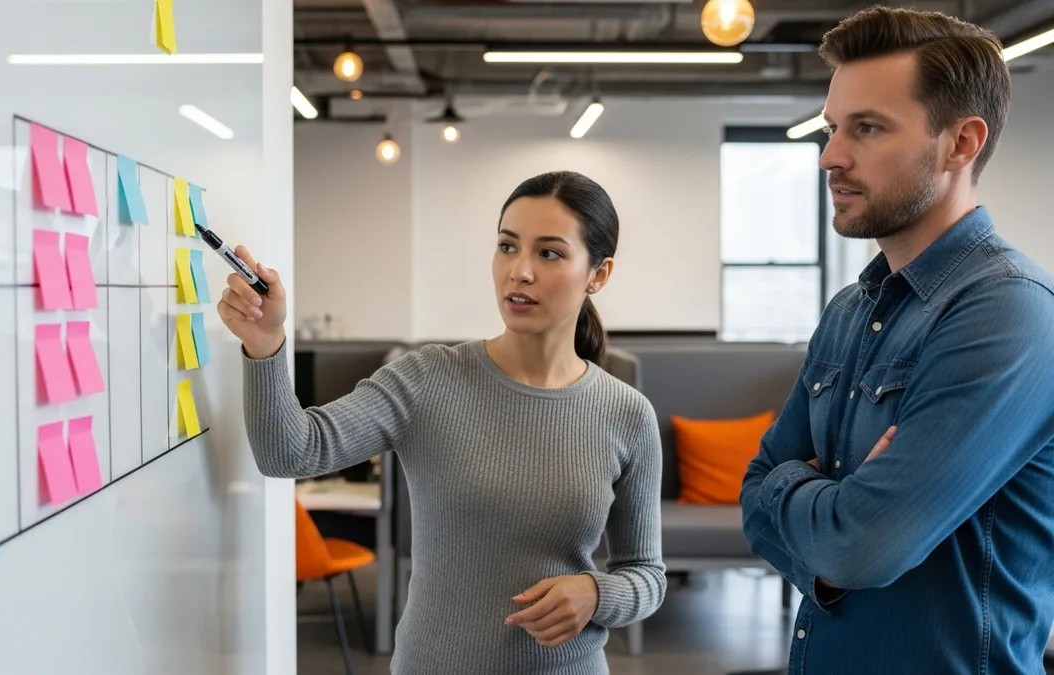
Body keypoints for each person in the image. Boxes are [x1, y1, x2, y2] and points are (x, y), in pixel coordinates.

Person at [219, 170, 666, 674]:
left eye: (549, 253)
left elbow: (646, 575)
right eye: (506, 246)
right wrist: (266, 344)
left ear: (598, 274)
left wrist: (596, 593)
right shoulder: (428, 378)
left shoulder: (627, 414)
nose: (519, 271)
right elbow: (289, 452)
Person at [740, 6, 1054, 674]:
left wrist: (821, 519)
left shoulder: (1011, 314)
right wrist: (828, 552)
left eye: (868, 128)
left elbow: (863, 546)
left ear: (961, 143)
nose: (830, 156)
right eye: (832, 129)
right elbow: (754, 495)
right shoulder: (848, 311)